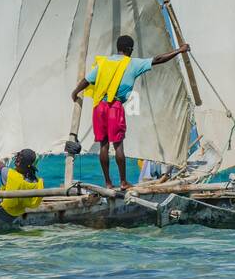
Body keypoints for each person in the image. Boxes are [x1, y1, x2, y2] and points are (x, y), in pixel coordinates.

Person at [70, 34, 191, 189]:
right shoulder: (132, 63)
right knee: (118, 146)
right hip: (114, 107)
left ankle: (107, 183)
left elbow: (86, 80)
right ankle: (123, 181)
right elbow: (158, 59)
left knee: (104, 145)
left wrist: (75, 92)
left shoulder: (104, 63)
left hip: (99, 107)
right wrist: (179, 50)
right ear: (129, 49)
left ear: (118, 48)